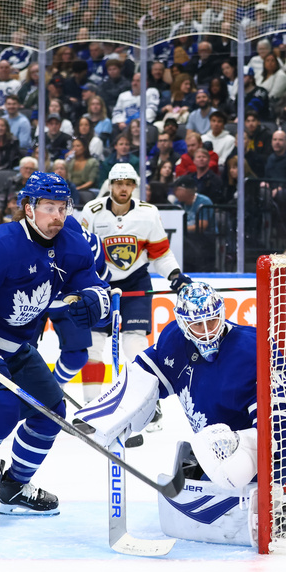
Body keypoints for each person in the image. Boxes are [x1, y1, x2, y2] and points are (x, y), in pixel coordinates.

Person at [0, 172, 111, 528]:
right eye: (48, 208)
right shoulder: (2, 244)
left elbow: (95, 287)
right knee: (0, 412)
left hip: (17, 345)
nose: (57, 216)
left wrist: (95, 301)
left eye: (62, 207)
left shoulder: (72, 243)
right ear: (28, 208)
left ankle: (13, 486)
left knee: (51, 412)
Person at [84, 283, 286, 546]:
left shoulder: (251, 350)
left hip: (258, 446)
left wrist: (245, 445)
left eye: (212, 320)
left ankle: (274, 497)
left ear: (222, 313)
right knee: (208, 451)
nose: (208, 333)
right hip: (212, 451)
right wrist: (108, 415)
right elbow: (142, 376)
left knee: (234, 467)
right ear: (183, 323)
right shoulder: (174, 341)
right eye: (198, 325)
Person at [78, 163, 192, 406]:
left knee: (135, 345)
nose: (123, 188)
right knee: (93, 345)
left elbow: (160, 253)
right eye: (119, 183)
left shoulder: (148, 213)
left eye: (128, 183)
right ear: (110, 185)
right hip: (100, 284)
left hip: (135, 283)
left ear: (134, 186)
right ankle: (90, 405)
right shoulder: (92, 211)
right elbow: (79, 252)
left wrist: (174, 275)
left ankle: (149, 403)